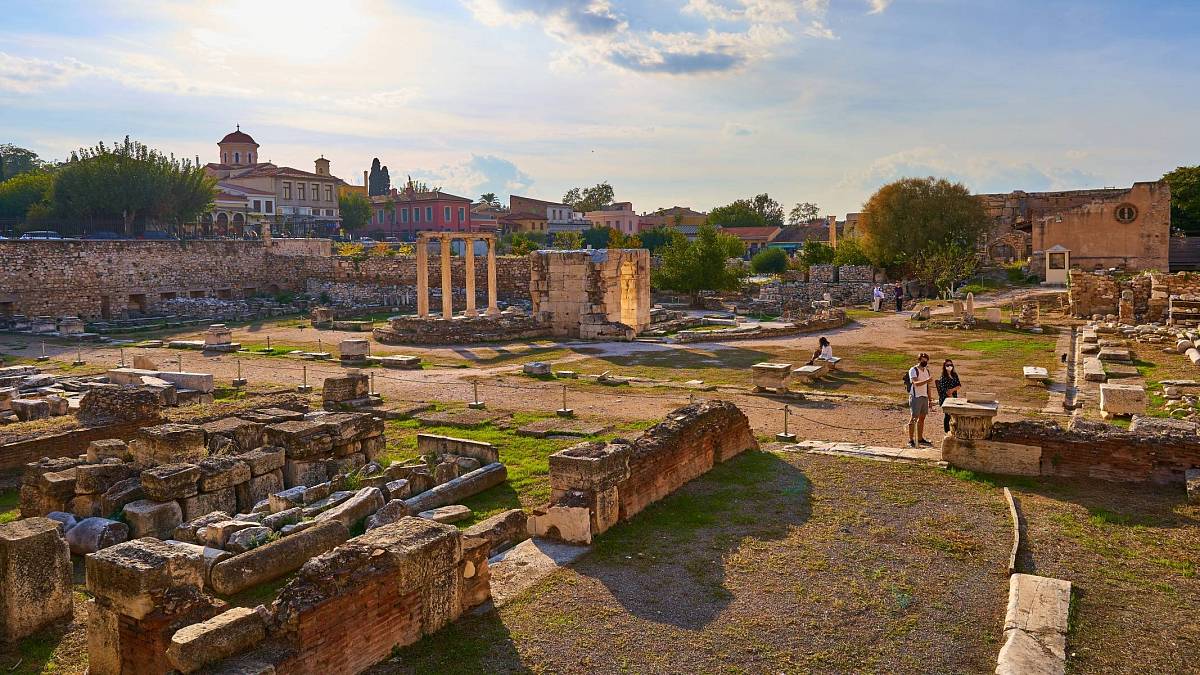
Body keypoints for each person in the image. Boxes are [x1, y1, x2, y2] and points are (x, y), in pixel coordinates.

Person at [907, 352, 933, 447]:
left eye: (926, 360)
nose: (925, 361)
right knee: (914, 418)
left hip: (924, 396)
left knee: (922, 418)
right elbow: (916, 383)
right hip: (916, 396)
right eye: (923, 360)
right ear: (919, 360)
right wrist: (927, 380)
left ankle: (920, 438)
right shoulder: (913, 370)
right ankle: (910, 440)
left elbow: (928, 386)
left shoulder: (927, 371)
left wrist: (930, 400)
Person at [935, 358, 961, 434]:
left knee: (954, 415)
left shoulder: (954, 375)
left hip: (954, 397)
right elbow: (946, 391)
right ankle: (947, 431)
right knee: (947, 415)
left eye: (951, 365)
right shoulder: (943, 377)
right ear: (944, 366)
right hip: (945, 398)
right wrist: (953, 390)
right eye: (947, 365)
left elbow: (959, 385)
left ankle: (953, 430)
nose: (949, 366)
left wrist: (952, 390)